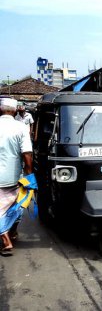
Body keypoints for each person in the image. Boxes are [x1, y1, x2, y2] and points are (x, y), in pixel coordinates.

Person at [0, 97, 33, 255]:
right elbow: (27, 154)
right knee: (17, 204)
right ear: (14, 111)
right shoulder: (20, 127)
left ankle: (7, 237)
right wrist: (29, 175)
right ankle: (9, 234)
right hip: (14, 175)